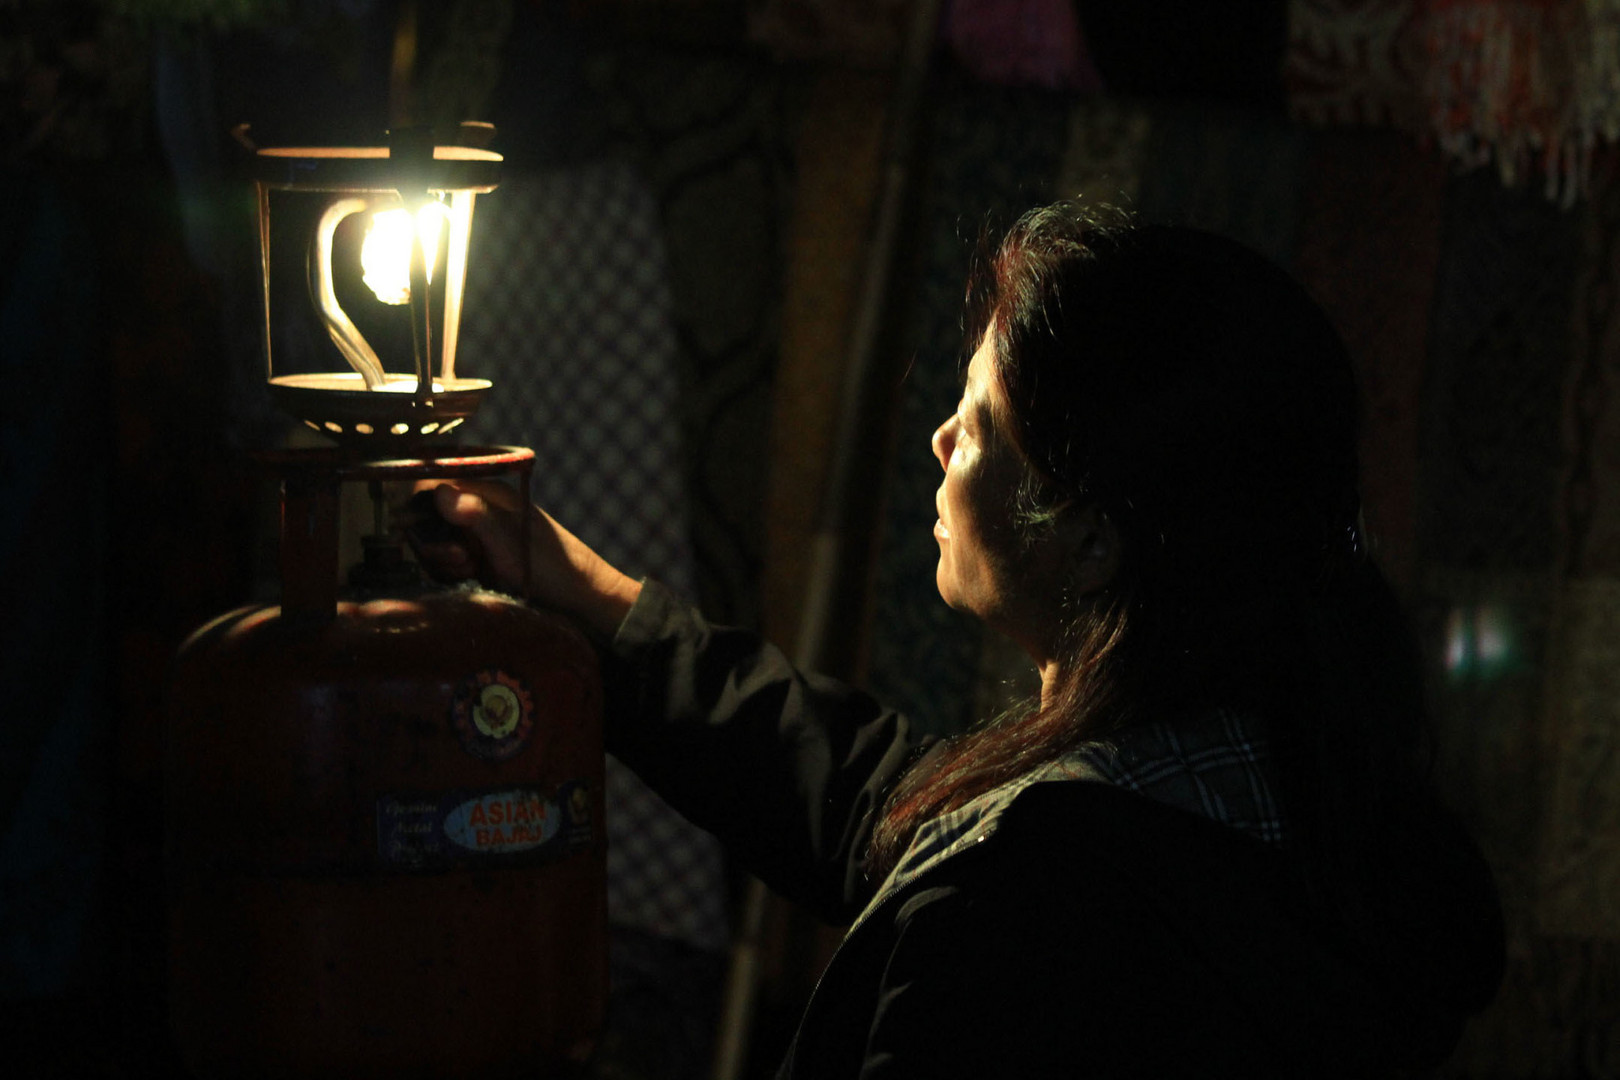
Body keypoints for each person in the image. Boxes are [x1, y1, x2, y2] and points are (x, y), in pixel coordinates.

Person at [414, 204, 1504, 1077]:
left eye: (979, 425)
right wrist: (587, 593)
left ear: (1087, 543)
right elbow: (878, 800)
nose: (939, 439)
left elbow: (976, 867)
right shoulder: (1272, 783)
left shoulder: (1022, 926)